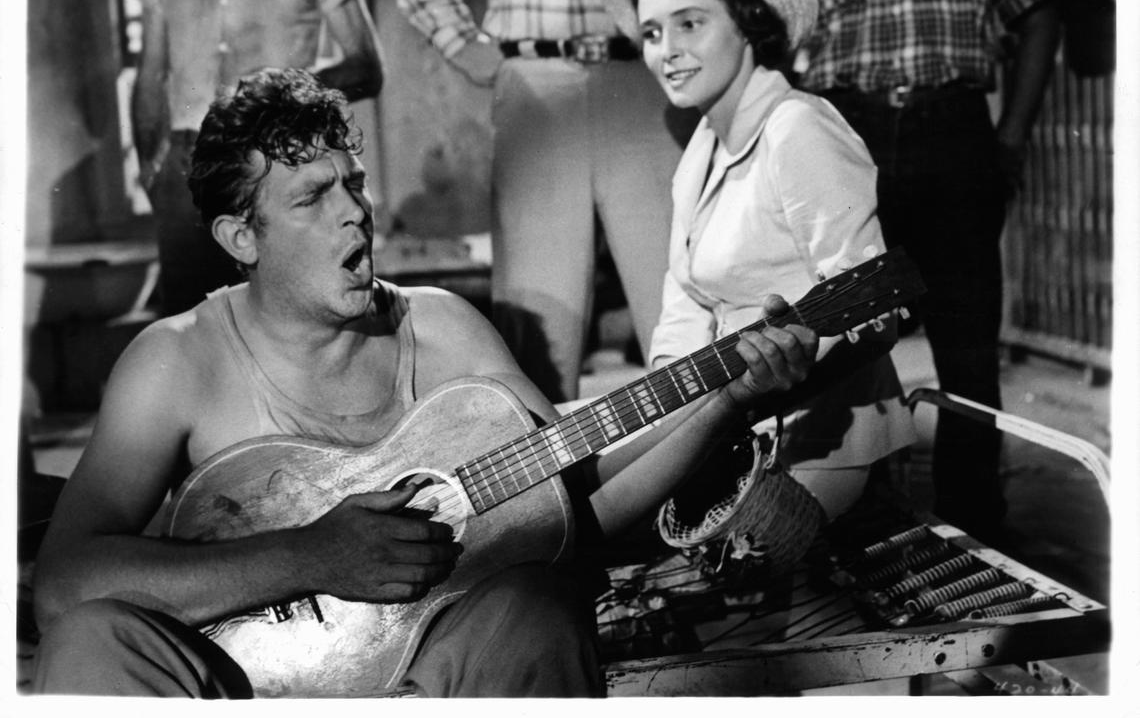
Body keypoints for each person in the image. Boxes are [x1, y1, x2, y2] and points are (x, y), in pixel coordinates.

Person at [31, 67, 820, 697]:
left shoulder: (441, 327)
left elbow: (579, 503)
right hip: (241, 682)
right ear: (242, 237)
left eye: (354, 182)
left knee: (537, 605)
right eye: (313, 196)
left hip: (430, 671)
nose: (355, 213)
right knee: (90, 641)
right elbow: (64, 585)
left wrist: (726, 401)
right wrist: (310, 556)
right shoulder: (175, 361)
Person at [387, 0, 748, 404]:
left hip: (649, 86)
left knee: (682, 293)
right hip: (537, 94)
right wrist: (463, 45)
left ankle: (707, 449)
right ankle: (543, 458)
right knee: (537, 316)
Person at [596, 0, 917, 528]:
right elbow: (686, 302)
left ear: (747, 23)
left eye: (690, 23)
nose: (667, 51)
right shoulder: (698, 153)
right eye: (653, 33)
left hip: (825, 438)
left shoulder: (797, 127)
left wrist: (778, 377)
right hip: (732, 428)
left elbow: (872, 313)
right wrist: (666, 408)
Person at [778, 0, 1061, 537]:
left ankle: (976, 527)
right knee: (847, 339)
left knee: (968, 349)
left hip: (953, 133)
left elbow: (1040, 14)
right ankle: (856, 520)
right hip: (850, 136)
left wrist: (1010, 138)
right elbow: (773, 35)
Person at [130, 0, 383, 316]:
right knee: (189, 320)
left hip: (279, 158)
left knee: (290, 311)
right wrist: (150, 172)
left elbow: (367, 67)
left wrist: (274, 99)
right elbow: (150, 72)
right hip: (184, 164)